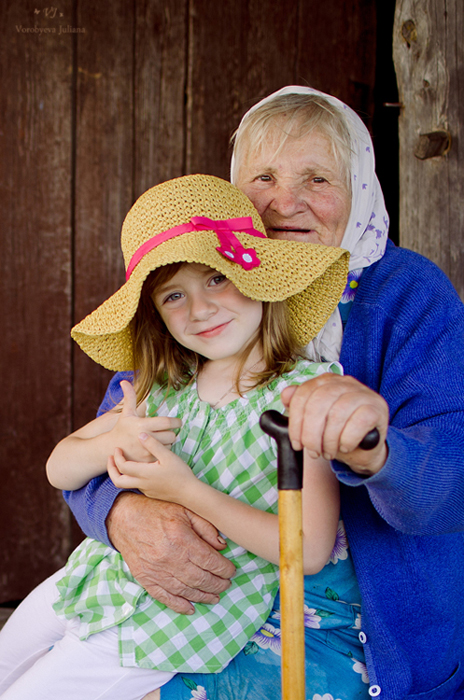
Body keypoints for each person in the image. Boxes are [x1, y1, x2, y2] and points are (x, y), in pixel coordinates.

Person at [67, 87, 464, 699]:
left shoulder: (408, 297)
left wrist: (375, 453)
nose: (286, 203)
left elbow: (448, 489)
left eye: (317, 178)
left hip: (359, 630)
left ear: (359, 185)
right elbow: (113, 435)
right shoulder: (203, 292)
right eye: (264, 178)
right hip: (208, 600)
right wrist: (121, 515)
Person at [0, 174, 352, 700]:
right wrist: (111, 438)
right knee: (7, 656)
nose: (200, 309)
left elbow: (309, 549)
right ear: (159, 316)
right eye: (174, 295)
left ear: (257, 277)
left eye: (215, 279)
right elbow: (59, 467)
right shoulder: (163, 386)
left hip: (174, 616)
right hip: (97, 578)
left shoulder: (302, 398)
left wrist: (186, 492)